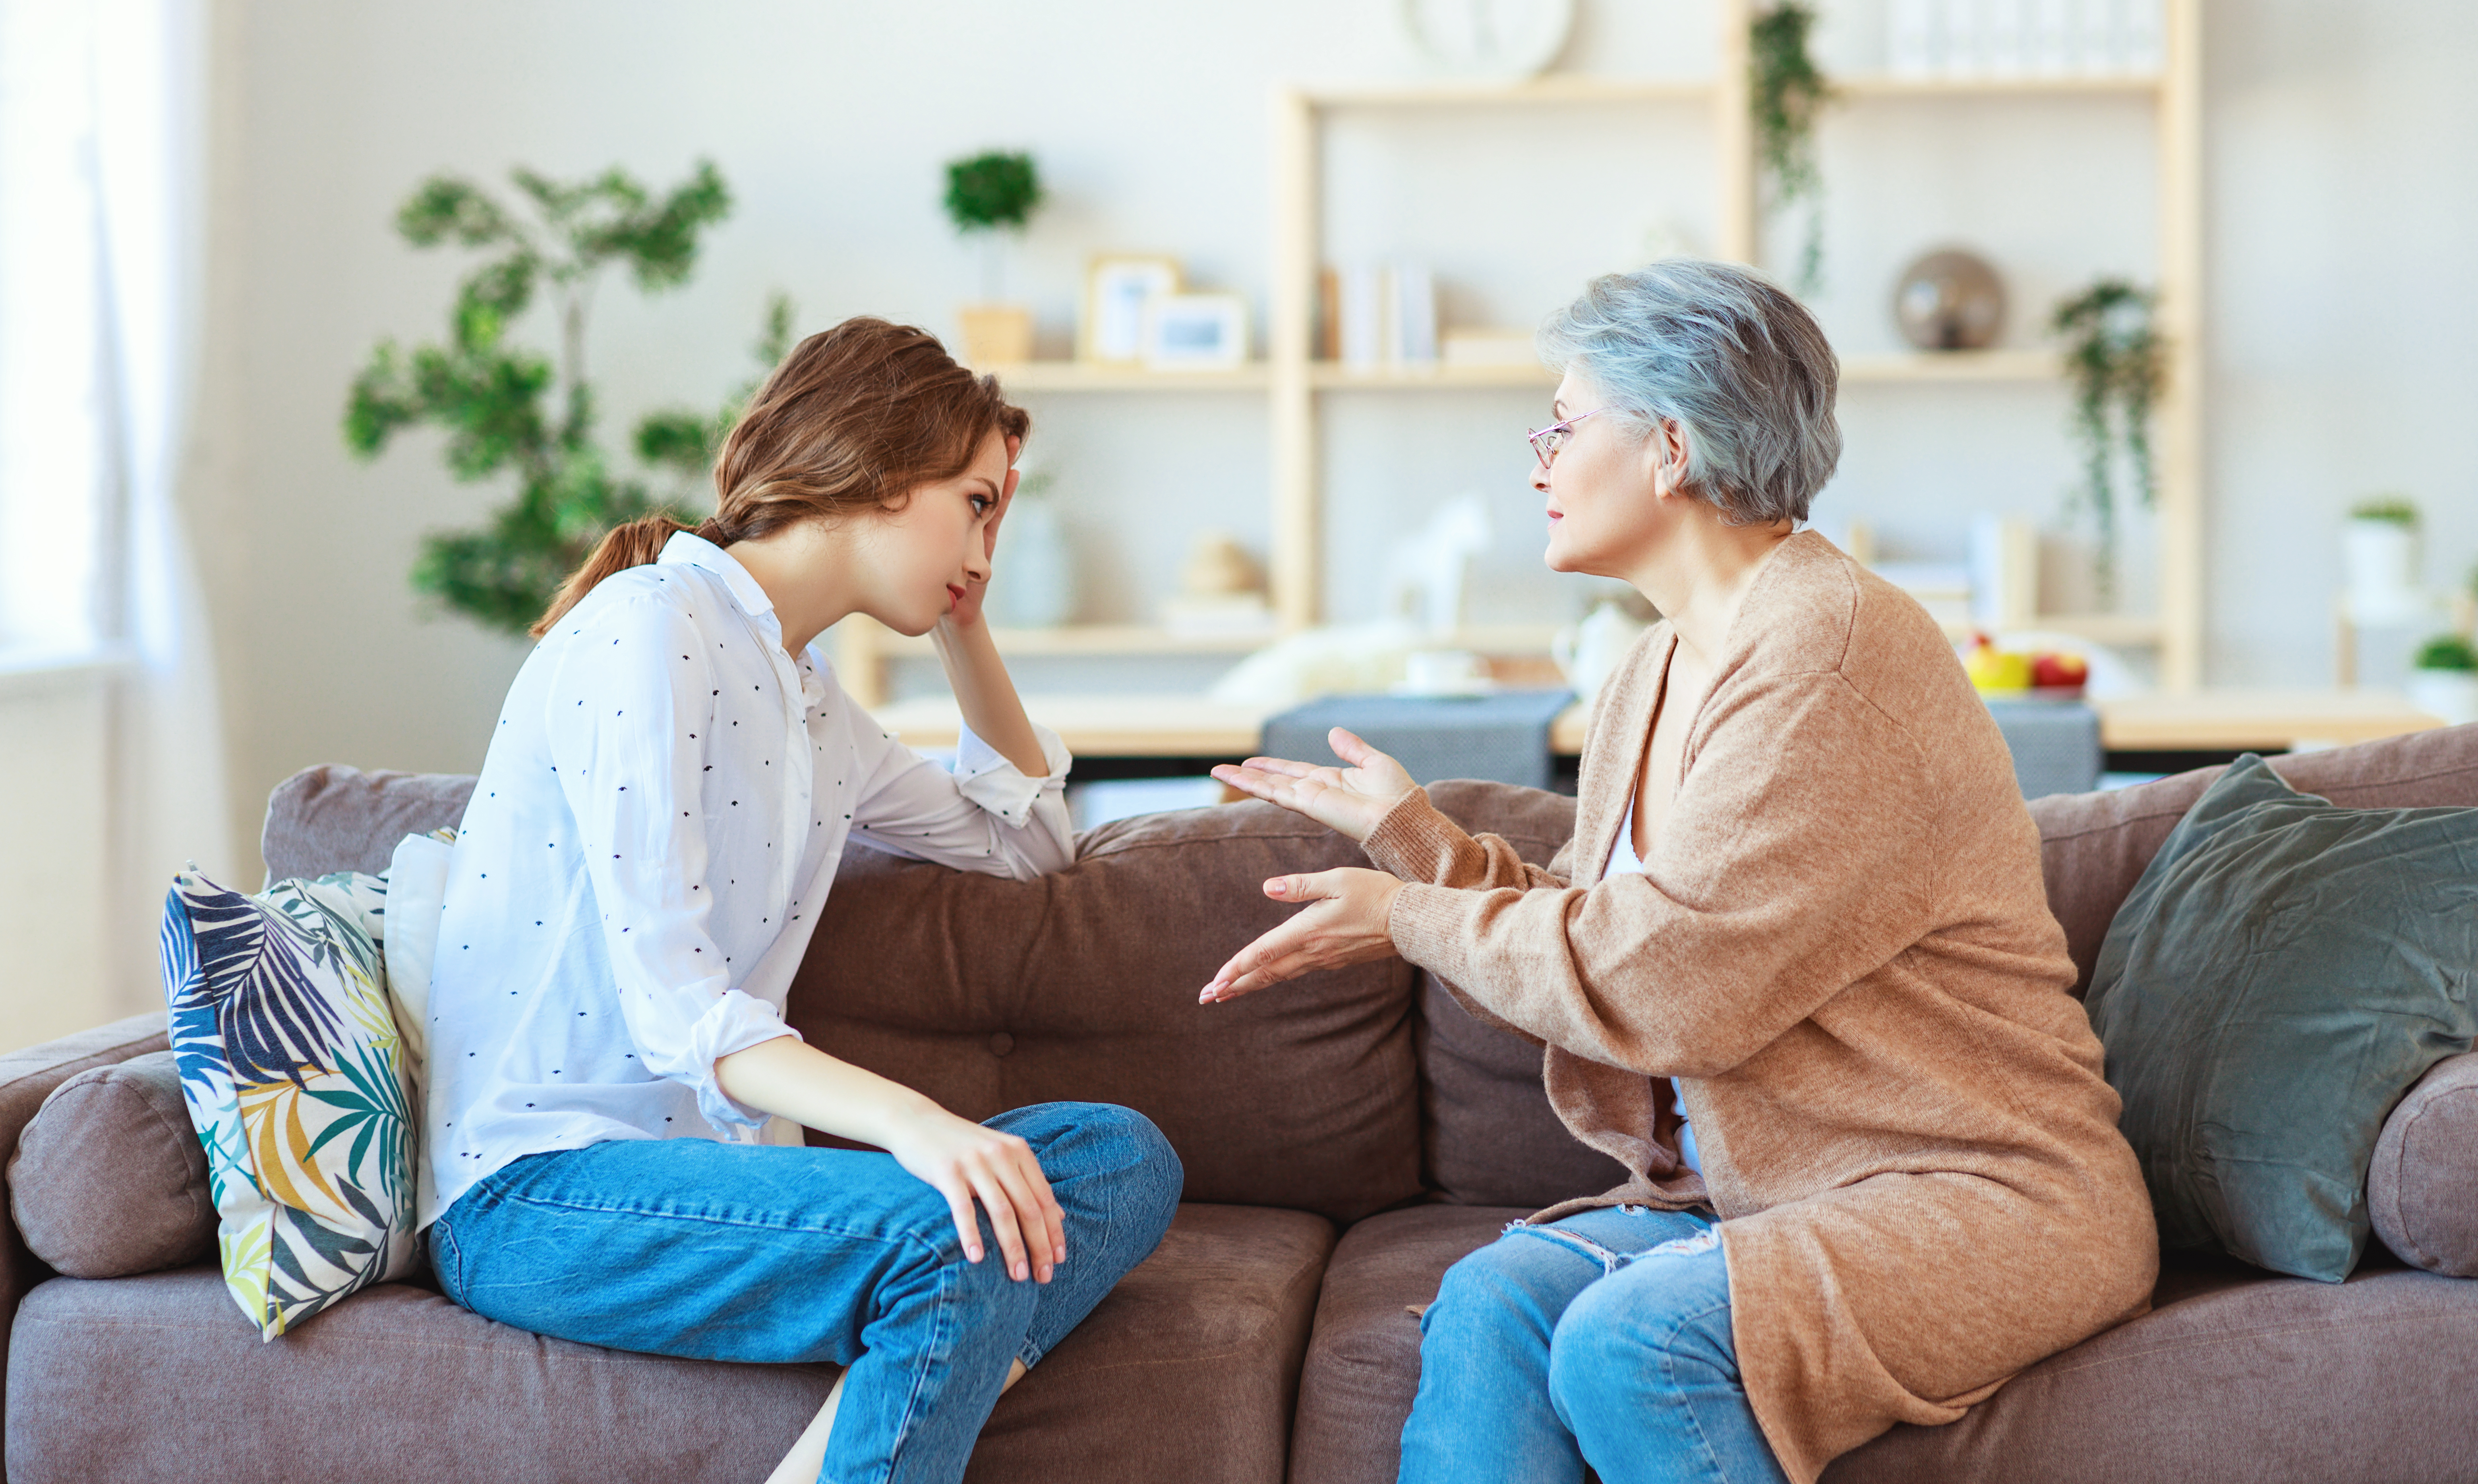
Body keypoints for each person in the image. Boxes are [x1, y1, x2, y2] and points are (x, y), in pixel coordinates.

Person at [1201, 259, 2155, 1484]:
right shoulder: (1654, 666)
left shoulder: (1823, 659)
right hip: (1777, 1196)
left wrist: (1411, 916)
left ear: (1667, 447)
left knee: (1633, 1343)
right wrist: (1416, 843)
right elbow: (1628, 935)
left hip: (1986, 1194)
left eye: (1560, 423)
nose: (1537, 459)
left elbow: (1672, 991)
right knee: (1494, 1304)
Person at [419, 317, 1183, 1484]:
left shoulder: (812, 702)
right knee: (955, 1228)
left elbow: (1025, 847)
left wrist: (966, 624)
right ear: (885, 476)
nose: (991, 541)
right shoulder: (646, 629)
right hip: (540, 1190)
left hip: (714, 1181)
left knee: (1118, 1157)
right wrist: (916, 1125)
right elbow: (679, 1011)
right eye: (977, 504)